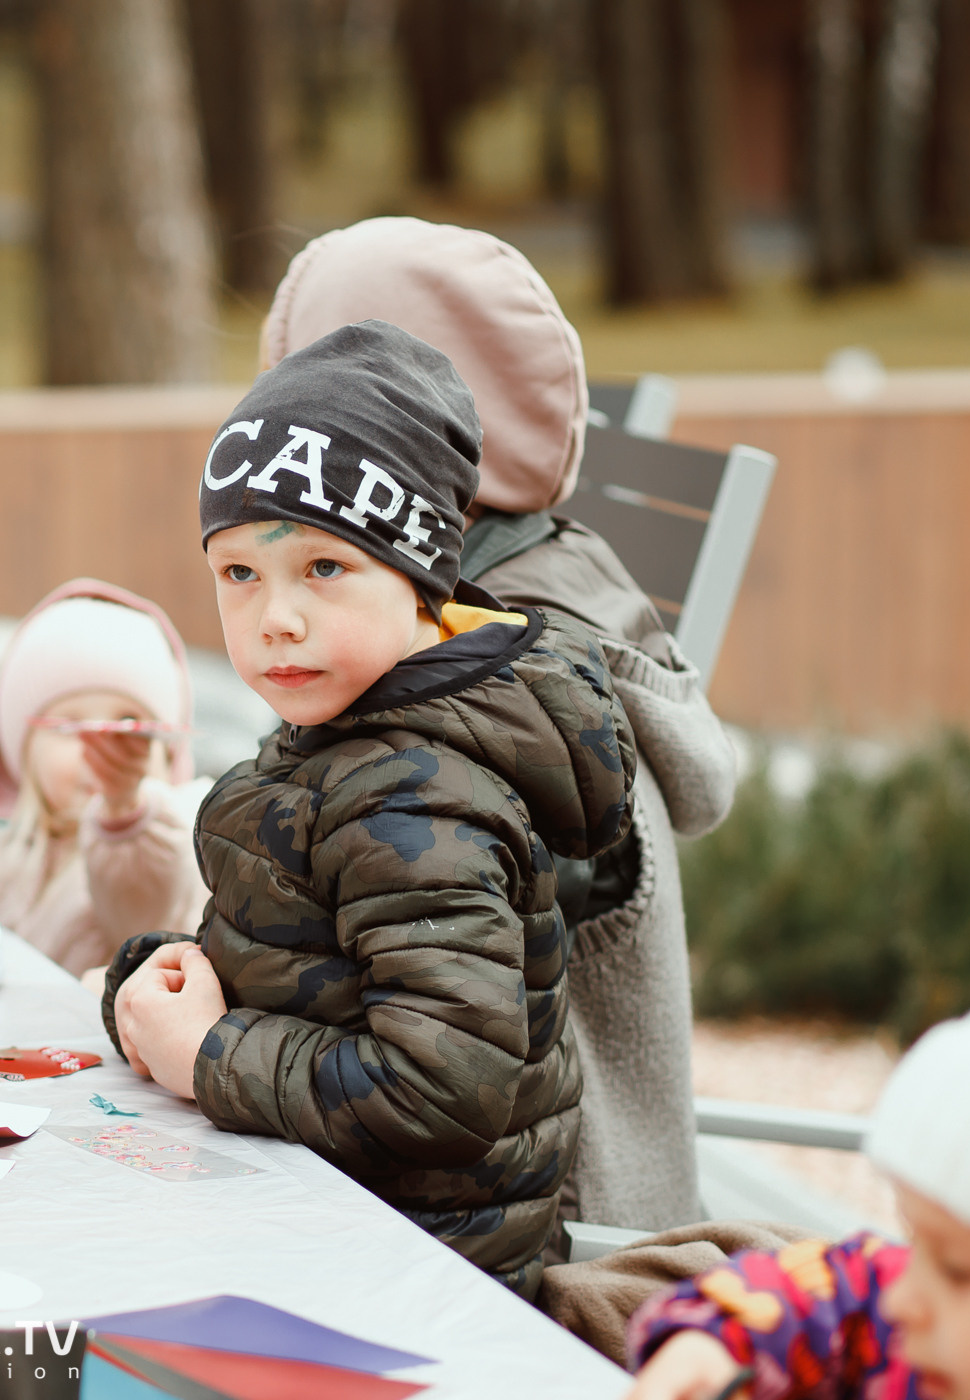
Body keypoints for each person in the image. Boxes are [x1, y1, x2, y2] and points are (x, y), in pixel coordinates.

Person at [103, 319, 637, 1299]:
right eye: (239, 573)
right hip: (329, 1210)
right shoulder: (352, 722)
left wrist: (210, 1054)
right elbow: (325, 964)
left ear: (423, 576)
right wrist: (165, 982)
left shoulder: (419, 793)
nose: (276, 616)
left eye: (324, 566)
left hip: (415, 1271)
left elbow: (443, 1085)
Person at [260, 215, 736, 1234]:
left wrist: (201, 1031)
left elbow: (408, 1019)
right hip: (601, 1175)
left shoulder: (479, 689)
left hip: (530, 1235)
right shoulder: (551, 593)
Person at [622, 1008, 970, 1400]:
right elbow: (826, 1293)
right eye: (913, 1241)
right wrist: (711, 1347)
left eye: (956, 1270)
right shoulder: (891, 1327)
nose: (901, 1300)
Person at [0, 579, 207, 981]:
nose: (100, 742)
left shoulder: (182, 850)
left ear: (165, 747)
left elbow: (145, 911)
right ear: (24, 749)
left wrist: (125, 809)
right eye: (69, 726)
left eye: (128, 724)